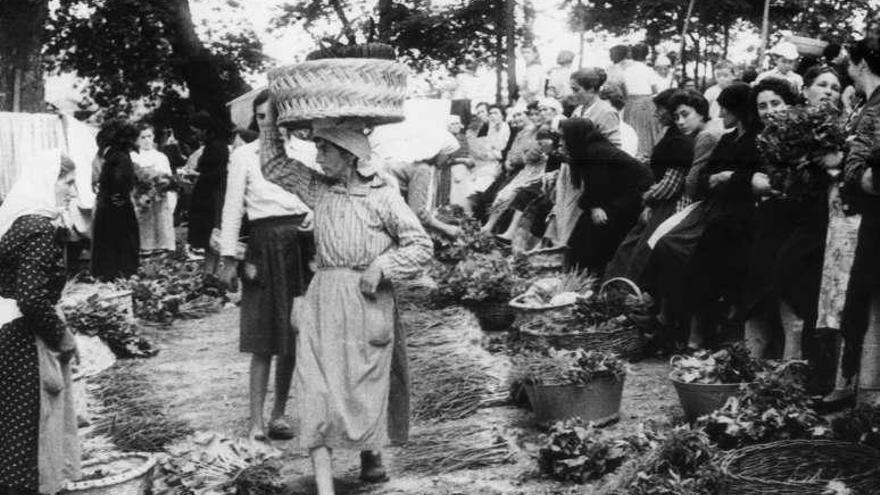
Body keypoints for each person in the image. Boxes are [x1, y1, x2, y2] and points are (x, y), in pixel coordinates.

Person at [259, 104, 433, 493]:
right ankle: (324, 485)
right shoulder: (319, 189)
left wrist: (384, 266)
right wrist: (268, 120)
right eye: (317, 149)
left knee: (362, 386)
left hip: (366, 301)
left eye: (325, 150)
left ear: (349, 155)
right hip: (323, 297)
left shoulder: (382, 196)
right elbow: (274, 168)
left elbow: (421, 245)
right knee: (316, 385)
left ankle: (370, 452)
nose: (318, 158)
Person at [217, 90, 315, 443]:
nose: (268, 123)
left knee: (292, 334)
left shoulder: (307, 151)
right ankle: (255, 420)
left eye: (273, 116)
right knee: (262, 339)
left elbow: (323, 194)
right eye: (260, 117)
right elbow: (232, 209)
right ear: (254, 120)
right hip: (263, 245)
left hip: (301, 247)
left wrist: (315, 218)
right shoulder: (244, 156)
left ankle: (279, 414)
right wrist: (229, 257)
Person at [645, 83, 760, 349]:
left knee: (697, 254)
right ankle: (681, 325)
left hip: (739, 213)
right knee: (678, 248)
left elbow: (744, 178)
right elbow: (705, 178)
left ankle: (692, 329)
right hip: (718, 208)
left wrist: (727, 178)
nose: (720, 115)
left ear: (738, 109)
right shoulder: (729, 138)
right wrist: (719, 178)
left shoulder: (752, 138)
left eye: (725, 108)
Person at [0, 150, 81, 495]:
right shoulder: (37, 229)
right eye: (68, 182)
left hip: (9, 334)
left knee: (12, 436)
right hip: (23, 343)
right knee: (29, 436)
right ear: (48, 182)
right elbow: (31, 298)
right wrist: (62, 337)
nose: (74, 191)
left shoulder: (21, 223)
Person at [742, 77, 830, 361]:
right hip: (770, 217)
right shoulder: (756, 139)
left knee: (787, 276)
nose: (769, 111)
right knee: (755, 272)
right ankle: (751, 356)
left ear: (790, 105)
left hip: (806, 219)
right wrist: (751, 181)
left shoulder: (807, 133)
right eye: (762, 106)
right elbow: (740, 177)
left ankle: (792, 358)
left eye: (775, 103)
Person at [605, 89, 697, 285]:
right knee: (631, 248)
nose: (657, 114)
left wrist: (648, 199)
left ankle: (627, 293)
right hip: (660, 200)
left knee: (642, 252)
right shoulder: (671, 135)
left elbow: (671, 184)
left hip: (667, 205)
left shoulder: (680, 141)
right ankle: (617, 288)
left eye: (661, 109)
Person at [841, 38, 880, 406]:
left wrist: (857, 175)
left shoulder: (876, 106)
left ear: (861, 64)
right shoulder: (867, 103)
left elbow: (864, 173)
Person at [565, 118, 653, 274]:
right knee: (584, 234)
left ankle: (592, 276)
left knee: (592, 234)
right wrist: (593, 205)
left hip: (629, 200)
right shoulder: (591, 150)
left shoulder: (596, 152)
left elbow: (597, 186)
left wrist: (594, 206)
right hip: (616, 198)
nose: (561, 142)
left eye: (563, 137)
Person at [91, 120, 140, 281]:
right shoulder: (121, 156)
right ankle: (118, 275)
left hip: (108, 204)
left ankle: (108, 275)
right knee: (121, 243)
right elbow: (120, 179)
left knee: (108, 243)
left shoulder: (111, 154)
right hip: (117, 206)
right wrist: (119, 195)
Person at [187, 113, 230, 258]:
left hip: (212, 193)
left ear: (204, 130)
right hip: (207, 191)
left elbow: (218, 172)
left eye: (195, 131)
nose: (194, 136)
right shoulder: (212, 145)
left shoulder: (217, 146)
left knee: (210, 228)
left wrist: (197, 175)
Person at [131, 124, 177, 255]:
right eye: (143, 137)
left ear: (153, 137)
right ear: (137, 139)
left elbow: (168, 175)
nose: (146, 140)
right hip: (141, 193)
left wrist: (161, 182)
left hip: (159, 192)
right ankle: (145, 246)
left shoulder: (161, 156)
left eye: (149, 136)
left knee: (160, 216)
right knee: (144, 218)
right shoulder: (134, 156)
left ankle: (163, 244)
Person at [623, 43, 661, 159]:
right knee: (647, 132)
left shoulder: (626, 71)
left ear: (632, 54)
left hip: (630, 104)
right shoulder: (649, 71)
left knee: (632, 131)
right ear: (646, 55)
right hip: (646, 103)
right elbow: (656, 90)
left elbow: (624, 91)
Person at [570, 68, 622, 147]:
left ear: (591, 89)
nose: (573, 94)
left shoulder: (607, 112)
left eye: (576, 90)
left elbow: (614, 148)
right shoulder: (578, 110)